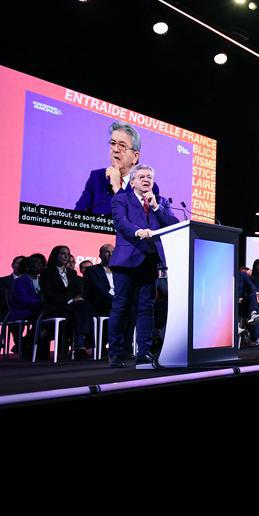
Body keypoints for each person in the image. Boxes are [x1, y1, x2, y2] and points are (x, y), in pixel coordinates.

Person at [106, 164, 179, 368]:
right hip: (126, 261)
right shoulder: (121, 198)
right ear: (132, 181)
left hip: (149, 261)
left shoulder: (160, 202)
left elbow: (173, 225)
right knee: (121, 307)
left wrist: (156, 207)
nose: (147, 180)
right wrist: (139, 231)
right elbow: (121, 222)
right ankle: (116, 353)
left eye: (150, 177)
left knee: (147, 308)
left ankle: (144, 353)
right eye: (142, 177)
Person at [75, 122, 159, 214]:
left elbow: (139, 220)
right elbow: (77, 215)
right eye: (113, 143)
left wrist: (117, 188)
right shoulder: (97, 178)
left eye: (122, 146)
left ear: (135, 157)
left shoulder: (148, 185)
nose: (115, 149)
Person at [39, 245, 93, 359]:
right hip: (55, 306)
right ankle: (82, 345)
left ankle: (80, 346)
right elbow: (48, 294)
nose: (66, 256)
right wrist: (70, 301)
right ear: (55, 255)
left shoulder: (71, 273)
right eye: (63, 253)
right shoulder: (46, 272)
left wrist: (78, 297)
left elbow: (77, 290)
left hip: (72, 308)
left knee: (84, 305)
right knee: (80, 309)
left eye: (68, 253)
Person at [7, 255, 45, 359]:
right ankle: (27, 344)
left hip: (40, 310)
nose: (40, 266)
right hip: (22, 310)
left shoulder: (43, 280)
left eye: (41, 264)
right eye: (37, 264)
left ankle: (25, 343)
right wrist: (41, 303)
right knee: (41, 316)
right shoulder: (19, 281)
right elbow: (22, 300)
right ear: (28, 267)